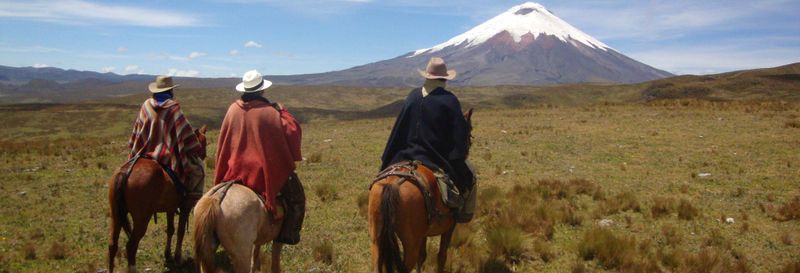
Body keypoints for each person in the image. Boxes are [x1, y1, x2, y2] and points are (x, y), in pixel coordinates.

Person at [214, 70, 305, 245]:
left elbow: (224, 142)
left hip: (233, 170)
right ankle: (288, 234)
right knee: (297, 196)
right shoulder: (269, 112)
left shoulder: (232, 109)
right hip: (260, 171)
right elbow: (293, 131)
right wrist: (283, 111)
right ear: (262, 90)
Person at [380, 57, 476, 223]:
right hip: (434, 158)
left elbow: (398, 129)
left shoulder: (412, 96)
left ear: (427, 76)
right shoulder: (449, 100)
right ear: (444, 78)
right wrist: (457, 156)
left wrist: (388, 158)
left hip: (402, 155)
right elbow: (459, 136)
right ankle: (462, 214)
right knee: (470, 175)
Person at [128, 75, 205, 201]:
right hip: (167, 157)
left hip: (143, 153)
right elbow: (185, 132)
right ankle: (189, 200)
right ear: (170, 90)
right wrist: (195, 145)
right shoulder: (173, 108)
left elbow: (137, 131)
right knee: (198, 170)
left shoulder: (146, 105)